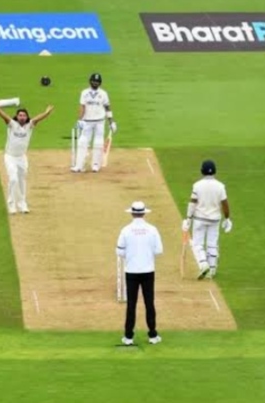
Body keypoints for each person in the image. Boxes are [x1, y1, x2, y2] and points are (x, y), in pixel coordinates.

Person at [0, 102, 54, 214]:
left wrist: (47, 112)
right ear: (16, 117)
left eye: (24, 115)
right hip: (10, 157)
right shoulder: (12, 124)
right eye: (20, 115)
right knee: (13, 179)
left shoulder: (29, 126)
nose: (22, 117)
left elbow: (38, 118)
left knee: (21, 180)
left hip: (21, 158)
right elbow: (3, 116)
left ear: (27, 117)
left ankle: (22, 204)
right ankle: (11, 205)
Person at [116, 201, 163, 346]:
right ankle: (153, 335)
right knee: (149, 303)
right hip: (148, 270)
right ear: (144, 213)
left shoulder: (126, 230)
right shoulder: (152, 229)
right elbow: (159, 250)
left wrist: (131, 255)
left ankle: (128, 337)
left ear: (132, 213)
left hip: (131, 271)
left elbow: (119, 251)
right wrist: (146, 253)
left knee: (131, 304)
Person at [181, 160, 233, 280]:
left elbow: (192, 203)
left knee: (197, 244)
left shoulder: (197, 185)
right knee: (212, 244)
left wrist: (188, 218)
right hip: (214, 219)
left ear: (202, 171)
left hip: (200, 218)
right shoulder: (220, 186)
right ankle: (212, 269)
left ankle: (204, 264)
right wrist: (227, 218)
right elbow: (225, 204)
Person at [71, 73, 117, 173]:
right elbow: (82, 107)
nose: (95, 83)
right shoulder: (84, 93)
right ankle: (79, 165)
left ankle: (95, 165)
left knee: (98, 143)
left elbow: (107, 108)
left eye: (97, 82)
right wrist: (80, 120)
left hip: (99, 122)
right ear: (90, 81)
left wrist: (111, 121)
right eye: (93, 81)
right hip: (87, 121)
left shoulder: (103, 94)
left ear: (100, 83)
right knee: (82, 142)